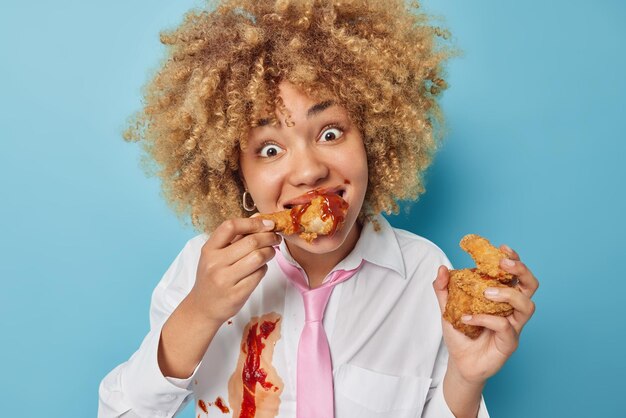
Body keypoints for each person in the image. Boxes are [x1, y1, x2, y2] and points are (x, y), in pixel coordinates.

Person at [98, 1, 539, 417]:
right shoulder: (200, 270)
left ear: (371, 139)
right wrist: (201, 311)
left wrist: (465, 379)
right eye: (270, 149)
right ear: (238, 173)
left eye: (330, 133)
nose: (308, 171)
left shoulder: (427, 275)